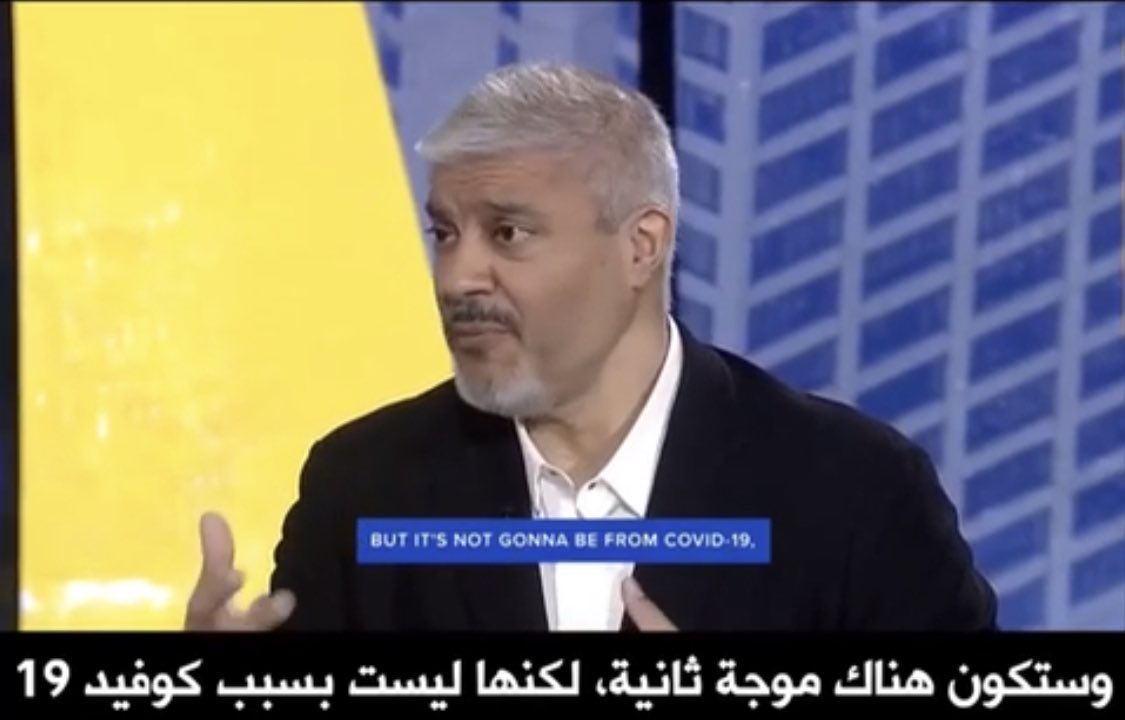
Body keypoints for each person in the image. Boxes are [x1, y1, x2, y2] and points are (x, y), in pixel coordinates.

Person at [184, 62, 998, 633]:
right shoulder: (366, 489)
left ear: (641, 245)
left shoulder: (852, 492)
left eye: (508, 232)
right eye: (445, 233)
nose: (457, 276)